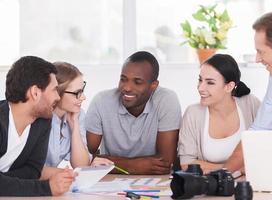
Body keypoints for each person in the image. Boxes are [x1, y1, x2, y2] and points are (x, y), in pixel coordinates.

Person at [178, 54, 272, 174]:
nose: (200, 88)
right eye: (200, 80)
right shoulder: (193, 113)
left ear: (229, 86)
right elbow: (186, 164)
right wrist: (231, 168)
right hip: (213, 185)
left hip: (252, 184)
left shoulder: (250, 104)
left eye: (210, 83)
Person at [85, 51, 182, 175]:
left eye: (137, 82)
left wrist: (112, 163)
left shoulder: (167, 100)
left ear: (154, 85)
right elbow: (86, 159)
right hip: (111, 183)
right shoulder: (101, 101)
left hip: (156, 183)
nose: (127, 87)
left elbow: (165, 163)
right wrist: (133, 166)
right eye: (123, 79)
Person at [0, 56, 77, 196]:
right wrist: (46, 188)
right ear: (35, 92)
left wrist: (4, 181)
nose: (58, 97)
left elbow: (33, 170)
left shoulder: (42, 121)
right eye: (54, 90)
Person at [41, 62, 113, 180]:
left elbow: (81, 165)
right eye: (77, 93)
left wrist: (74, 128)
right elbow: (32, 170)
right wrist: (67, 173)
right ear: (57, 92)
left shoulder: (77, 115)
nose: (83, 97)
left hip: (48, 183)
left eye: (82, 90)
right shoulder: (39, 117)